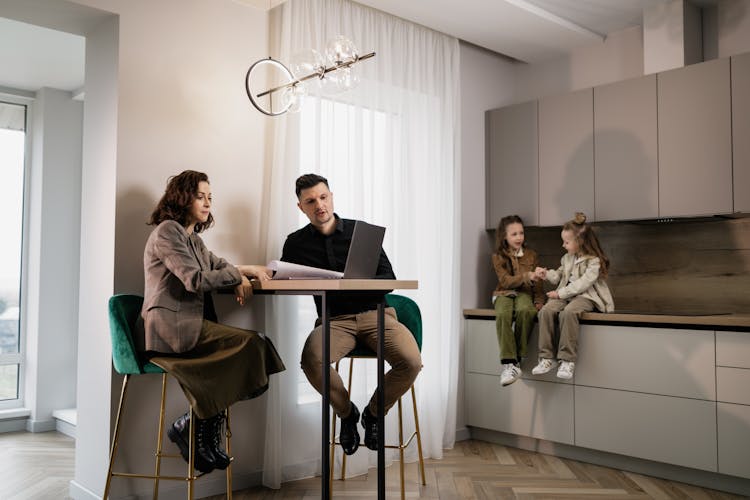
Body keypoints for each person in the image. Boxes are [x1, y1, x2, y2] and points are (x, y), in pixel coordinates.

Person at [136, 170, 285, 473]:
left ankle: (192, 425)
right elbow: (195, 280)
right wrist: (240, 275)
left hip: (189, 325)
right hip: (169, 328)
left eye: (210, 198)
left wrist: (244, 271)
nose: (207, 203)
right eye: (200, 196)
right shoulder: (168, 231)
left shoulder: (194, 241)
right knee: (253, 344)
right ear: (182, 197)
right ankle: (197, 429)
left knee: (257, 352)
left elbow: (222, 266)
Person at [280, 173, 422, 456]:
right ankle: (346, 414)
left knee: (411, 362)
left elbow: (389, 277)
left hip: (377, 314)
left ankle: (372, 413)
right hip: (335, 322)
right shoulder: (295, 243)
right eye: (310, 201)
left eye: (323, 197)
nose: (319, 205)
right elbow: (283, 278)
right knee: (312, 360)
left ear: (331, 196)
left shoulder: (362, 232)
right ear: (301, 207)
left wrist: (351, 282)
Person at [531, 212, 614, 380]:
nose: (563, 245)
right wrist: (545, 274)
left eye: (566, 242)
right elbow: (559, 276)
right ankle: (546, 357)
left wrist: (560, 293)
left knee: (568, 312)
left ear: (580, 241)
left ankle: (567, 360)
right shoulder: (566, 258)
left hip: (586, 297)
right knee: (546, 311)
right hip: (566, 295)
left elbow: (583, 284)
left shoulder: (594, 261)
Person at [492, 215, 545, 387]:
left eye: (521, 233)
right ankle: (509, 363)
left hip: (524, 293)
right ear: (505, 236)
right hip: (503, 293)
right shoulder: (498, 256)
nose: (519, 237)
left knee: (526, 311)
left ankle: (518, 359)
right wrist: (526, 276)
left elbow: (538, 283)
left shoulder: (531, 255)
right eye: (514, 234)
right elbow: (506, 281)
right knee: (502, 313)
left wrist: (538, 300)